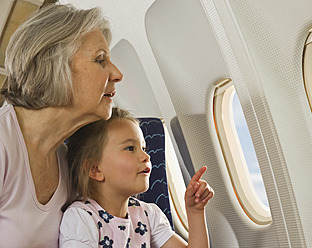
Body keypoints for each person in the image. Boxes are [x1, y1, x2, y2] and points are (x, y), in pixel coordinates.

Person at [0, 4, 123, 247]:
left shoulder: (69, 166)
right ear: (56, 66)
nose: (117, 74)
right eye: (100, 60)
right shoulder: (3, 145)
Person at [59, 107, 214, 247]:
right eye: (130, 148)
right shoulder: (81, 219)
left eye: (144, 148)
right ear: (95, 169)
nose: (146, 156)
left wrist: (194, 212)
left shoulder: (148, 214)